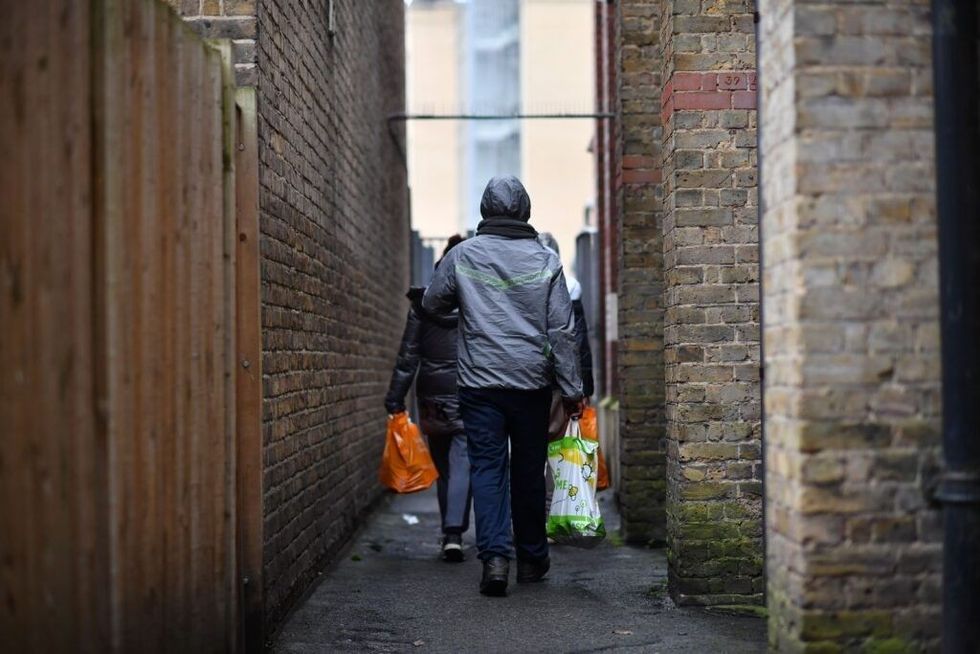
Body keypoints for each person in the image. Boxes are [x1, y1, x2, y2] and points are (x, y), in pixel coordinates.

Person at [422, 176, 583, 596]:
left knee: (487, 469)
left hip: (479, 385)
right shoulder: (546, 260)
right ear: (525, 210)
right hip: (530, 385)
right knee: (528, 472)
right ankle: (531, 559)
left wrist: (468, 308)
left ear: (484, 210)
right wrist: (571, 389)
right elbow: (563, 331)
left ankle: (495, 558)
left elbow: (432, 303)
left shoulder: (463, 256)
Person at [385, 236, 472, 562]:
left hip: (432, 398)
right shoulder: (476, 301)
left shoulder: (422, 304)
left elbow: (408, 356)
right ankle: (454, 532)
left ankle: (449, 533)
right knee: (464, 460)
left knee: (442, 464)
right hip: (468, 390)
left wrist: (395, 399)